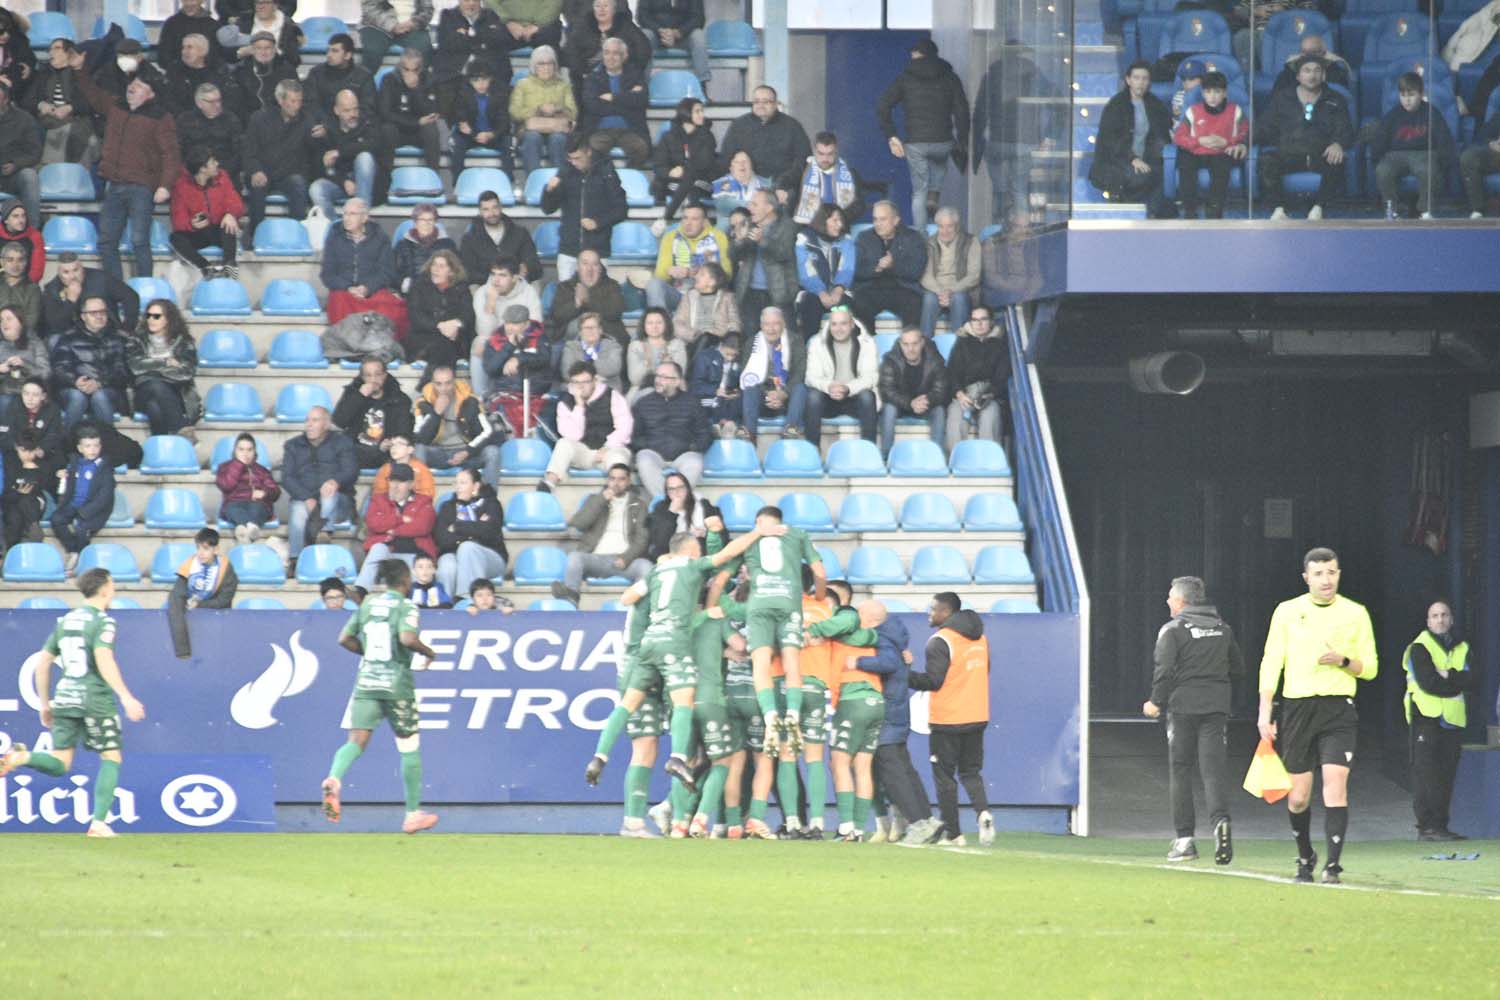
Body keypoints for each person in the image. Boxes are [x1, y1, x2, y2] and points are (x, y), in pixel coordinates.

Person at [587, 522, 782, 797]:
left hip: (647, 644)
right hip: (673, 642)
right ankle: (677, 756)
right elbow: (726, 554)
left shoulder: (656, 571)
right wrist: (758, 533)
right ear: (691, 551)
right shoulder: (691, 566)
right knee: (684, 701)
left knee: (627, 704)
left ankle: (600, 755)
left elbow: (627, 597)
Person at [1259, 546, 1378, 884]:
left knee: (1335, 786)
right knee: (1298, 797)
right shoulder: (1287, 611)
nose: (1326, 580)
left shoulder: (1356, 613)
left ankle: (1333, 867)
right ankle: (1305, 856)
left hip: (1338, 709)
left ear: (1339, 574)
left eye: (1332, 572)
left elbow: (1370, 668)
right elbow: (1271, 662)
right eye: (1319, 574)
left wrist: (1343, 661)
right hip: (1297, 708)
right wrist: (1265, 711)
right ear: (1306, 577)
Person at [0, 568, 147, 839]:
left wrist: (45, 703)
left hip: (65, 695)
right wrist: (125, 696)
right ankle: (98, 823)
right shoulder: (103, 622)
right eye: (112, 585)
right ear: (104, 589)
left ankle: (20, 757)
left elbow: (43, 663)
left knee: (61, 762)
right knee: (111, 754)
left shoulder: (65, 621)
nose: (113, 591)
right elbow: (104, 657)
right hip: (94, 697)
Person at [321, 558, 441, 834]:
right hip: (396, 684)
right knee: (409, 746)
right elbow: (407, 638)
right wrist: (429, 653)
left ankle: (334, 779)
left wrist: (369, 654)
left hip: (366, 682)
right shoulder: (406, 606)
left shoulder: (368, 605)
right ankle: (412, 814)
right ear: (405, 581)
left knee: (356, 741)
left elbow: (343, 639)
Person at [708, 505, 825, 760]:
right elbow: (819, 572)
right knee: (792, 663)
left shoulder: (749, 542)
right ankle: (792, 714)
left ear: (759, 521)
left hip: (759, 606)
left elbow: (719, 575)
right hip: (790, 604)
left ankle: (771, 716)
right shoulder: (798, 534)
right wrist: (821, 596)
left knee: (761, 663)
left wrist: (711, 607)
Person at [1141, 576, 1241, 863]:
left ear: (1182, 602)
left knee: (1181, 770)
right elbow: (1239, 668)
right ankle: (1220, 822)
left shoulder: (1172, 630)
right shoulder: (1223, 629)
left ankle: (1185, 841)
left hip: (1183, 708)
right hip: (1216, 708)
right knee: (1213, 771)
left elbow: (1164, 671)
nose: (1168, 601)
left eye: (1171, 597)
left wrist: (1155, 703)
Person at [72, 54, 180, 281]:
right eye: (131, 85)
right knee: (106, 242)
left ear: (150, 93)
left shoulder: (161, 118)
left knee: (140, 241)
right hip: (114, 184)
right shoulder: (116, 107)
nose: (131, 89)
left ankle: (145, 288)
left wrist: (165, 186)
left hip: (142, 187)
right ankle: (115, 289)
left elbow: (171, 155)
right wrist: (81, 70)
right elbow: (92, 94)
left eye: (138, 86)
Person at [876, 39, 971, 229]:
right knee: (937, 171)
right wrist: (962, 140)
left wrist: (892, 136)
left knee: (919, 191)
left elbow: (883, 105)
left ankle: (921, 236)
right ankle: (934, 196)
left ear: (919, 55)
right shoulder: (950, 77)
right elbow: (962, 110)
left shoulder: (905, 78)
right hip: (942, 141)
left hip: (916, 143)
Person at [1404, 600, 1476, 842]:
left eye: (1444, 615)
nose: (1440, 619)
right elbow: (1428, 682)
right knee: (1426, 773)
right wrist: (1454, 683)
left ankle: (1441, 826)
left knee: (1446, 774)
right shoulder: (1419, 647)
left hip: (1452, 720)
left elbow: (1473, 679)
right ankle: (1426, 827)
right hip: (1426, 717)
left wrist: (1448, 675)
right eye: (1435, 615)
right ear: (1428, 621)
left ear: (1451, 619)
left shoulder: (1463, 647)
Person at [1258, 56, 1353, 222]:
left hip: (1320, 154)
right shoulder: (1282, 97)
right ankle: (1279, 210)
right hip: (1289, 153)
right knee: (1267, 161)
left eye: (1317, 70)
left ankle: (1318, 208)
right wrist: (1244, 142)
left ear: (1323, 75)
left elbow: (1345, 128)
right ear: (1298, 76)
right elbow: (1264, 126)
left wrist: (1338, 143)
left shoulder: (1335, 98)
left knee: (1337, 160)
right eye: (1307, 70)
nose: (1312, 75)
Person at [551, 462, 651, 603]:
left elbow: (642, 539)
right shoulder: (595, 500)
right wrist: (601, 500)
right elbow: (579, 524)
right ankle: (571, 597)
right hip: (596, 559)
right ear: (607, 480)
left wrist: (627, 558)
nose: (616, 483)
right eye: (612, 478)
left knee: (646, 566)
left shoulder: (639, 505)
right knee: (574, 557)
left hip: (625, 560)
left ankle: (638, 609)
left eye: (621, 479)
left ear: (628, 481)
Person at [1088, 61, 1172, 219]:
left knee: (1161, 172)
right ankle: (1123, 205)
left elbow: (1162, 134)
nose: (1141, 82)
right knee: (1140, 176)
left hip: (1146, 159)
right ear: (1128, 80)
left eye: (1145, 78)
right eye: (1136, 78)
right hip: (1116, 161)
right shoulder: (1116, 105)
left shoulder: (1154, 104)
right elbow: (1110, 141)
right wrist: (1132, 158)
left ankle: (1153, 216)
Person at [1371, 73, 1456, 221]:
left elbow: (1444, 138)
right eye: (1403, 95)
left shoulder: (1431, 112)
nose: (1407, 100)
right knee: (1383, 170)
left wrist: (1442, 163)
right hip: (1395, 155)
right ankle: (1392, 211)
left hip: (1424, 154)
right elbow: (1380, 139)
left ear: (1421, 94)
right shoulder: (1393, 115)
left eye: (1411, 95)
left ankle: (1424, 211)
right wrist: (1377, 159)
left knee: (1427, 170)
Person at [541, 138, 628, 281]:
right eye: (570, 158)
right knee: (566, 298)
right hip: (568, 249)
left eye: (577, 158)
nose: (574, 163)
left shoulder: (606, 171)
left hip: (597, 250)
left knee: (597, 299)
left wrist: (598, 222)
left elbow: (621, 209)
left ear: (588, 152)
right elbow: (547, 208)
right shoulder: (565, 172)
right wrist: (549, 190)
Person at [541, 360, 632, 490]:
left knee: (619, 458)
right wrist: (579, 406)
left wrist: (607, 446)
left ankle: (618, 493)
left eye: (585, 382)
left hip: (609, 450)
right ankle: (548, 485)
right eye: (576, 383)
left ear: (594, 381)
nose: (580, 387)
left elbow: (625, 426)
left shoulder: (612, 396)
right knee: (563, 444)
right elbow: (573, 436)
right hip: (584, 452)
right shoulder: (565, 402)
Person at [243, 77, 315, 239]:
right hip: (263, 172)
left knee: (298, 183)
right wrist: (256, 171)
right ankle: (256, 236)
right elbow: (249, 153)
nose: (297, 106)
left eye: (299, 101)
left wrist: (320, 138)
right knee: (258, 185)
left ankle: (297, 235)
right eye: (293, 101)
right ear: (280, 100)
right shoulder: (259, 119)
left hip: (289, 174)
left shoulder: (307, 120)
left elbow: (313, 150)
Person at [282, 406, 359, 558]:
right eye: (307, 420)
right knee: (298, 512)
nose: (309, 424)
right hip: (306, 500)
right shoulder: (293, 445)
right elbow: (287, 478)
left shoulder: (342, 443)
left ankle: (324, 533)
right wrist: (306, 498)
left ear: (327, 424)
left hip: (338, 502)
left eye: (315, 420)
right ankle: (295, 560)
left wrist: (336, 481)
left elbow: (351, 470)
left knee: (328, 493)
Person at [1171, 71, 1248, 221]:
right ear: (1203, 93)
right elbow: (1179, 137)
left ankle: (1214, 210)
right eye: (1208, 92)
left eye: (1217, 92)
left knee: (1222, 164)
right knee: (1185, 160)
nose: (1212, 96)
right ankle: (1189, 211)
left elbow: (1246, 133)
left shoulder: (1235, 111)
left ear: (1225, 93)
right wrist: (1199, 141)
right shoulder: (1193, 111)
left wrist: (1227, 142)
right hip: (1196, 151)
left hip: (1220, 153)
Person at [51, 296, 132, 432]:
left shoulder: (118, 338)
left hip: (109, 390)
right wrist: (75, 381)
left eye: (103, 312)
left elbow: (123, 371)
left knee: (99, 396)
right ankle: (67, 445)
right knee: (77, 398)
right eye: (94, 313)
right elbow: (59, 368)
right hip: (74, 388)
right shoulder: (68, 337)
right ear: (83, 316)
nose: (99, 316)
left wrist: (100, 383)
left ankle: (109, 443)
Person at [631, 361, 710, 497]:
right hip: (654, 454)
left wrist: (692, 447)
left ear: (677, 381)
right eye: (657, 376)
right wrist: (648, 445)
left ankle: (677, 501)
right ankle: (664, 502)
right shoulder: (643, 403)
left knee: (696, 462)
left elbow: (705, 433)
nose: (658, 381)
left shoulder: (692, 403)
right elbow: (634, 436)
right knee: (643, 459)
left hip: (683, 454)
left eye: (664, 377)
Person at [411, 363, 501, 482]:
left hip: (466, 452)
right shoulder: (422, 403)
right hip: (439, 453)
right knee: (418, 449)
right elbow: (418, 438)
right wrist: (435, 414)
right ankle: (420, 495)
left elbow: (488, 432)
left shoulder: (470, 400)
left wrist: (467, 452)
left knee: (492, 452)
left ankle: (489, 498)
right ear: (432, 384)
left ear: (454, 382)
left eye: (448, 383)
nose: (443, 388)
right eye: (439, 384)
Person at [718, 85, 811, 200]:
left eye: (766, 102)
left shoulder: (792, 126)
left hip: (782, 186)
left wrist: (783, 183)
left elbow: (803, 160)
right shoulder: (739, 125)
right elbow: (726, 158)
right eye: (756, 102)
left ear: (776, 104)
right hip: (744, 185)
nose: (760, 106)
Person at [355, 462, 438, 589]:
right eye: (392, 481)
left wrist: (391, 530)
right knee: (377, 549)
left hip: (415, 553)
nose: (395, 486)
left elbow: (422, 527)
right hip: (388, 553)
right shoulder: (378, 499)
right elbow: (373, 524)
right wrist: (400, 519)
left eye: (401, 482)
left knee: (421, 567)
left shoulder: (424, 501)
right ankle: (361, 590)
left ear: (411, 484)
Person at [320, 200, 401, 329]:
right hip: (344, 292)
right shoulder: (334, 238)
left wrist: (367, 288)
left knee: (395, 308)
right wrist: (348, 287)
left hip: (371, 291)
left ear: (364, 218)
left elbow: (386, 272)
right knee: (338, 301)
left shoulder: (380, 238)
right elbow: (327, 274)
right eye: (345, 214)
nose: (346, 218)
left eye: (352, 214)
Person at [805, 306, 879, 447]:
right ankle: (812, 450)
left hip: (854, 397)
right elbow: (811, 377)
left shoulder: (867, 343)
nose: (838, 329)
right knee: (813, 397)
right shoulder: (817, 343)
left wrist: (848, 388)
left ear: (852, 324)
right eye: (834, 324)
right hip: (828, 397)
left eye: (843, 323)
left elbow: (871, 377)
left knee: (868, 396)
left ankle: (870, 450)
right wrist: (830, 386)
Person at [125, 299, 199, 439]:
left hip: (176, 394)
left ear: (168, 319)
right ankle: (182, 430)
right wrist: (165, 363)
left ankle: (161, 447)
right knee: (155, 385)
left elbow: (187, 372)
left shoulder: (184, 341)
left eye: (156, 316)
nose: (151, 319)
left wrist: (152, 369)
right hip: (142, 392)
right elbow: (136, 367)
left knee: (155, 407)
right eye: (148, 315)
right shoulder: (136, 340)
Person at [851, 200, 926, 334]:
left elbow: (916, 271)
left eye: (883, 219)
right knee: (859, 303)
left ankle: (909, 348)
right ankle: (868, 348)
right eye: (875, 219)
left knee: (915, 304)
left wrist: (893, 265)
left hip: (903, 288)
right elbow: (856, 270)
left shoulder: (913, 238)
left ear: (896, 220)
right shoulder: (864, 237)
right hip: (871, 288)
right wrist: (877, 268)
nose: (877, 224)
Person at [169, 145, 244, 280]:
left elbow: (236, 203)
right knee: (175, 238)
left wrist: (230, 214)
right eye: (213, 162)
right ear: (202, 168)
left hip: (220, 231)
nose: (217, 164)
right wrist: (191, 224)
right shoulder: (181, 186)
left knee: (228, 224)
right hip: (199, 232)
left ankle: (230, 265)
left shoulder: (223, 177)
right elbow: (178, 220)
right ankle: (205, 268)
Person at [434, 466, 508, 600]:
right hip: (452, 552)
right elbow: (442, 539)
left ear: (476, 486)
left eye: (463, 483)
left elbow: (490, 533)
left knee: (468, 548)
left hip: (491, 556)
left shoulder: (491, 504)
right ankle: (445, 609)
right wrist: (475, 530)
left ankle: (466, 601)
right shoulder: (447, 507)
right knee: (447, 566)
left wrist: (457, 527)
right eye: (456, 483)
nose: (458, 487)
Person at [52, 425, 117, 573]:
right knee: (57, 519)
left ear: (100, 446)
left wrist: (85, 513)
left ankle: (81, 557)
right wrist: (61, 477)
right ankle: (73, 550)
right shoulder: (74, 464)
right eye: (88, 446)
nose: (92, 450)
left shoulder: (105, 468)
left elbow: (104, 497)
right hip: (74, 505)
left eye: (95, 445)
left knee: (82, 527)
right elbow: (68, 487)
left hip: (93, 509)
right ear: (80, 448)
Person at [166, 527, 239, 659]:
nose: (201, 553)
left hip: (217, 617)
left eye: (206, 549)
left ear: (216, 549)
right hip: (190, 607)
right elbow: (177, 595)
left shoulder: (226, 569)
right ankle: (183, 652)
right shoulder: (189, 565)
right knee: (173, 599)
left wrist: (200, 604)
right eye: (198, 548)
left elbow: (224, 600)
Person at [944, 304, 1010, 450]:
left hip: (989, 396)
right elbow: (952, 373)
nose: (979, 324)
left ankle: (990, 464)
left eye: (983, 319)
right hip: (965, 394)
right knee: (955, 415)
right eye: (974, 320)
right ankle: (956, 461)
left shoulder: (1000, 344)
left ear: (991, 322)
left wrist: (990, 394)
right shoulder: (962, 343)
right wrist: (960, 394)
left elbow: (1002, 376)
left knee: (990, 415)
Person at [308, 87, 380, 220]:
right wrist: (343, 181)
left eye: (355, 109)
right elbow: (323, 166)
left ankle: (362, 220)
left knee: (365, 157)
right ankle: (336, 228)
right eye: (347, 110)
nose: (353, 114)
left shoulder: (368, 123)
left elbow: (373, 145)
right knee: (316, 188)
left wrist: (340, 152)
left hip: (366, 184)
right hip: (341, 183)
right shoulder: (327, 130)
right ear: (337, 111)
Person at [579, 36, 650, 169]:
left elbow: (642, 100)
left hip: (630, 129)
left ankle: (628, 180)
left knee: (641, 149)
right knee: (592, 151)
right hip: (600, 130)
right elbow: (592, 106)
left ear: (625, 56)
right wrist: (627, 99)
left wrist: (614, 97)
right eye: (607, 53)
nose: (610, 57)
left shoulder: (635, 75)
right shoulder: (593, 77)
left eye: (615, 53)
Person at [332, 355, 414, 470]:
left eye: (377, 374)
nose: (373, 380)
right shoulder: (353, 394)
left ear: (385, 375)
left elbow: (403, 430)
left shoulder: (399, 399)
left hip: (385, 452)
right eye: (368, 375)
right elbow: (339, 421)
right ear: (362, 377)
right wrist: (359, 397)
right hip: (356, 450)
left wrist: (391, 442)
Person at [730, 189, 798, 326]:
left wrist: (763, 241)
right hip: (749, 293)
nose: (749, 208)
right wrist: (739, 241)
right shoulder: (746, 224)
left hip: (778, 293)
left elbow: (784, 254)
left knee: (785, 339)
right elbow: (732, 256)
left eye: (754, 205)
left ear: (769, 208)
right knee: (751, 341)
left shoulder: (787, 226)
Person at [877, 326, 947, 458]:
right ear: (900, 344)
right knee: (889, 408)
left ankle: (936, 456)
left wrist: (928, 400)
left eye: (914, 344)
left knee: (940, 410)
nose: (910, 349)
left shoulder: (935, 360)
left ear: (922, 342)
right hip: (901, 405)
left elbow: (941, 389)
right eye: (906, 344)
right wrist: (910, 403)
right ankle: (886, 457)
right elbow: (887, 390)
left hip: (926, 404)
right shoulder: (890, 360)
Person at [739, 306, 806, 442]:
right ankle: (749, 435)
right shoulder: (752, 343)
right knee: (749, 388)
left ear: (784, 324)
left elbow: (801, 371)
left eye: (776, 323)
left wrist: (784, 393)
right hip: (763, 398)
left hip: (788, 398)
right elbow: (747, 375)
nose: (771, 328)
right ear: (761, 326)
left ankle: (790, 431)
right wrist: (768, 394)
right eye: (767, 324)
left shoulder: (796, 340)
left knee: (801, 388)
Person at [648, 201, 728, 312]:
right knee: (654, 284)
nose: (688, 223)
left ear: (704, 222)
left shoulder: (718, 236)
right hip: (680, 295)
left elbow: (727, 273)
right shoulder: (670, 236)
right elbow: (660, 274)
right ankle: (662, 325)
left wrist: (695, 274)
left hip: (708, 295)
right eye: (685, 218)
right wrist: (669, 271)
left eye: (694, 219)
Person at [509, 45, 576, 179]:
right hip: (529, 129)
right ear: (534, 66)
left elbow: (573, 112)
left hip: (556, 128)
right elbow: (514, 112)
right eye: (541, 64)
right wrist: (537, 110)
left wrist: (558, 108)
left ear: (555, 65)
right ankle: (534, 180)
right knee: (532, 137)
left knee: (558, 139)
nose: (546, 68)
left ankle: (560, 182)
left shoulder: (563, 85)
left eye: (550, 63)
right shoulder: (523, 84)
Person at [434, 0, 508, 118]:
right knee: (446, 92)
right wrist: (482, 39)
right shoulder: (447, 16)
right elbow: (449, 43)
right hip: (455, 74)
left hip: (485, 73)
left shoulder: (491, 15)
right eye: (467, 0)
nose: (471, 4)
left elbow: (498, 39)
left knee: (497, 87)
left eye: (475, 0)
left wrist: (467, 34)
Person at [651, 100, 717, 234]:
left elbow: (704, 164)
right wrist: (670, 172)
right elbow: (659, 165)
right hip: (676, 184)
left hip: (702, 182)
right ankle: (703, 230)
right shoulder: (668, 137)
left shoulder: (707, 136)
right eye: (697, 111)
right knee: (691, 189)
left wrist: (683, 170)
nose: (701, 115)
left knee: (691, 178)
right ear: (686, 113)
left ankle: (665, 217)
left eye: (702, 111)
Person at [378, 48, 443, 182]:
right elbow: (385, 113)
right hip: (397, 130)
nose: (410, 74)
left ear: (421, 69)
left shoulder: (429, 80)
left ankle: (433, 179)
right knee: (386, 129)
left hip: (419, 132)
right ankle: (384, 180)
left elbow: (431, 112)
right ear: (400, 67)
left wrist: (415, 90)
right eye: (406, 69)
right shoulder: (389, 79)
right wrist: (416, 122)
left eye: (414, 70)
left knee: (431, 129)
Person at [31, 39, 97, 168]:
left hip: (74, 119)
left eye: (56, 48)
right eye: (50, 49)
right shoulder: (43, 73)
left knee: (71, 134)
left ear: (68, 53)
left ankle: (56, 172)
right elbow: (28, 99)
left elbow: (91, 102)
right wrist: (41, 105)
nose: (51, 52)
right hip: (45, 119)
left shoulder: (80, 74)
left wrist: (70, 108)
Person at [407, 250, 477, 369]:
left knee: (446, 343)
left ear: (451, 271)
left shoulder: (461, 288)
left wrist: (456, 324)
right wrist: (440, 326)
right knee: (443, 345)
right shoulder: (418, 287)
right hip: (425, 338)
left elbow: (468, 314)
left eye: (441, 266)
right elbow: (416, 317)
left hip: (454, 337)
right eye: (434, 265)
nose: (435, 269)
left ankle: (428, 383)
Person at [919, 207, 980, 339]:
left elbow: (974, 275)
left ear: (957, 226)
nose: (945, 231)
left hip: (960, 290)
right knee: (928, 299)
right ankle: (925, 344)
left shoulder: (971, 241)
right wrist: (940, 291)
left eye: (949, 226)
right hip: (936, 291)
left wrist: (951, 290)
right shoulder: (930, 243)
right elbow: (925, 275)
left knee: (958, 298)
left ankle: (958, 345)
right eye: (941, 226)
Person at [564, 0, 652, 88]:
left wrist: (631, 71)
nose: (601, 10)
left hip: (621, 75)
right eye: (598, 6)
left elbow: (644, 49)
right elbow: (571, 52)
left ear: (614, 9)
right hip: (589, 76)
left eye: (606, 6)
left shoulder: (625, 25)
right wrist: (582, 72)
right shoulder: (583, 26)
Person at [460, 192, 542, 285]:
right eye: (486, 209)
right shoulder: (469, 239)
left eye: (495, 207)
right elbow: (468, 272)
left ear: (500, 207)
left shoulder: (520, 233)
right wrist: (497, 278)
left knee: (535, 283)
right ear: (480, 212)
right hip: (485, 286)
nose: (492, 213)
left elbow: (534, 263)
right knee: (473, 287)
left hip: (516, 283)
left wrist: (526, 268)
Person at [477, 301, 550, 406]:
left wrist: (518, 359)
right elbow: (490, 369)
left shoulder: (539, 336)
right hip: (504, 392)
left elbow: (544, 358)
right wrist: (509, 345)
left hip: (534, 392)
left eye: (515, 323)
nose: (509, 327)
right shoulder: (495, 339)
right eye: (507, 323)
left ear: (526, 324)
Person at [788, 131, 866, 228]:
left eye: (830, 154)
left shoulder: (850, 174)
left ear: (836, 151)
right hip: (807, 226)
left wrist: (841, 217)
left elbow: (859, 205)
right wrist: (781, 187)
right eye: (821, 154)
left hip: (839, 226)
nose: (825, 159)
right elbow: (786, 179)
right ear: (814, 151)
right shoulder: (803, 169)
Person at [551, 249, 628, 346]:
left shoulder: (612, 286)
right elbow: (556, 316)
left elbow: (615, 312)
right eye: (585, 264)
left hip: (607, 340)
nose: (590, 269)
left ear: (600, 268)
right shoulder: (565, 287)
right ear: (577, 267)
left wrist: (588, 300)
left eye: (595, 264)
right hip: (573, 343)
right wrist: (576, 303)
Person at [472, 257, 542, 364]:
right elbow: (485, 332)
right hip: (493, 341)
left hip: (521, 340)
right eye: (493, 274)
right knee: (480, 344)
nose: (496, 280)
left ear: (514, 277)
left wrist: (508, 342)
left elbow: (535, 326)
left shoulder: (529, 292)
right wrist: (490, 303)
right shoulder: (482, 293)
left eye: (502, 275)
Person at [450, 63, 513, 179]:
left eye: (484, 79)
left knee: (507, 142)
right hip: (471, 135)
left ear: (491, 79)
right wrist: (474, 134)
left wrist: (492, 134)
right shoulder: (462, 94)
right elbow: (461, 119)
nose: (481, 84)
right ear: (469, 81)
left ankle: (509, 181)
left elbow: (504, 121)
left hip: (494, 135)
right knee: (458, 142)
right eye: (476, 80)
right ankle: (457, 182)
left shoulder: (500, 93)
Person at [216, 431, 279, 543]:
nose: (245, 453)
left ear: (254, 452)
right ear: (235, 451)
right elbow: (227, 486)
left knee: (258, 509)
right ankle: (251, 529)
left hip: (258, 504)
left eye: (249, 450)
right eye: (241, 449)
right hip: (234, 504)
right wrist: (238, 465)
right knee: (232, 509)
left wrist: (264, 493)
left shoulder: (262, 471)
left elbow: (275, 491)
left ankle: (243, 530)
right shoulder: (224, 468)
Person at [175, 83, 243, 186]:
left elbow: (239, 151)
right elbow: (178, 150)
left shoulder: (231, 119)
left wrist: (221, 172)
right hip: (194, 174)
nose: (217, 105)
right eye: (211, 102)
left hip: (225, 173)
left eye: (218, 100)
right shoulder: (185, 120)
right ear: (199, 103)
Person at [303, 34, 377, 121]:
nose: (329, 55)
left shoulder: (364, 76)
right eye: (328, 50)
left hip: (354, 126)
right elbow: (311, 105)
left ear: (347, 55)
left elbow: (367, 109)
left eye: (335, 51)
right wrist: (329, 126)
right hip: (324, 126)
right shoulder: (316, 73)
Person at [637, 0, 709, 90]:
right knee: (645, 36)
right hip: (657, 34)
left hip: (684, 35)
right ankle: (642, 86)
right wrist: (660, 31)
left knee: (699, 37)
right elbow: (642, 17)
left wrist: (678, 33)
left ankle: (702, 85)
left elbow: (698, 18)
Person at [3, 426, 55, 547]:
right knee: (15, 517)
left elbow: (44, 487)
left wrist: (33, 470)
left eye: (31, 451)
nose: (27, 455)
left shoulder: (43, 465)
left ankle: (32, 528)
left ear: (36, 450)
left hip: (35, 502)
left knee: (26, 499)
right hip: (13, 501)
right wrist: (19, 493)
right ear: (17, 448)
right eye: (23, 450)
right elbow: (6, 492)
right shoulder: (10, 463)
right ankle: (33, 527)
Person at [0, 80, 42, 228]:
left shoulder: (25, 120)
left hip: (13, 175)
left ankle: (31, 231)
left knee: (29, 176)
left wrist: (16, 164)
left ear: (6, 100)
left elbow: (34, 152)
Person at [230, 30, 298, 119]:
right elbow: (237, 104)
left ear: (274, 49)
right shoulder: (241, 72)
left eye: (267, 48)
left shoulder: (287, 71)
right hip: (249, 121)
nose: (263, 52)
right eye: (259, 48)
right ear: (252, 50)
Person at [672, 261, 740, 350]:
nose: (696, 277)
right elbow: (677, 322)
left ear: (712, 282)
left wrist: (726, 336)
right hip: (693, 342)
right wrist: (694, 334)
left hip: (718, 342)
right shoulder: (689, 297)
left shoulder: (727, 298)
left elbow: (735, 322)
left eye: (701, 274)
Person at [687, 330, 742, 437]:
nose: (730, 358)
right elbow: (696, 386)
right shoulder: (705, 357)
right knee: (719, 402)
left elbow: (738, 384)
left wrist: (735, 392)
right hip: (707, 398)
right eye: (727, 354)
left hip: (725, 399)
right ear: (721, 346)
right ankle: (722, 426)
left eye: (733, 355)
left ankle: (727, 426)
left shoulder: (737, 362)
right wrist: (715, 391)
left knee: (741, 399)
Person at [626, 307, 687, 402]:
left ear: (666, 324)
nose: (654, 326)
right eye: (650, 323)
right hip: (642, 388)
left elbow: (680, 374)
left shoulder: (677, 344)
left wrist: (669, 364)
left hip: (670, 389)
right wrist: (647, 362)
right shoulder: (635, 346)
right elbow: (635, 380)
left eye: (659, 322)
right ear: (644, 325)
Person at [0, 377, 65, 464]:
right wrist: (17, 448)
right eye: (26, 394)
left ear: (43, 396)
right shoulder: (14, 406)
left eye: (35, 395)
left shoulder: (53, 410)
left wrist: (41, 450)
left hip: (42, 454)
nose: (29, 398)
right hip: (16, 453)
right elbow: (5, 433)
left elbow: (54, 435)